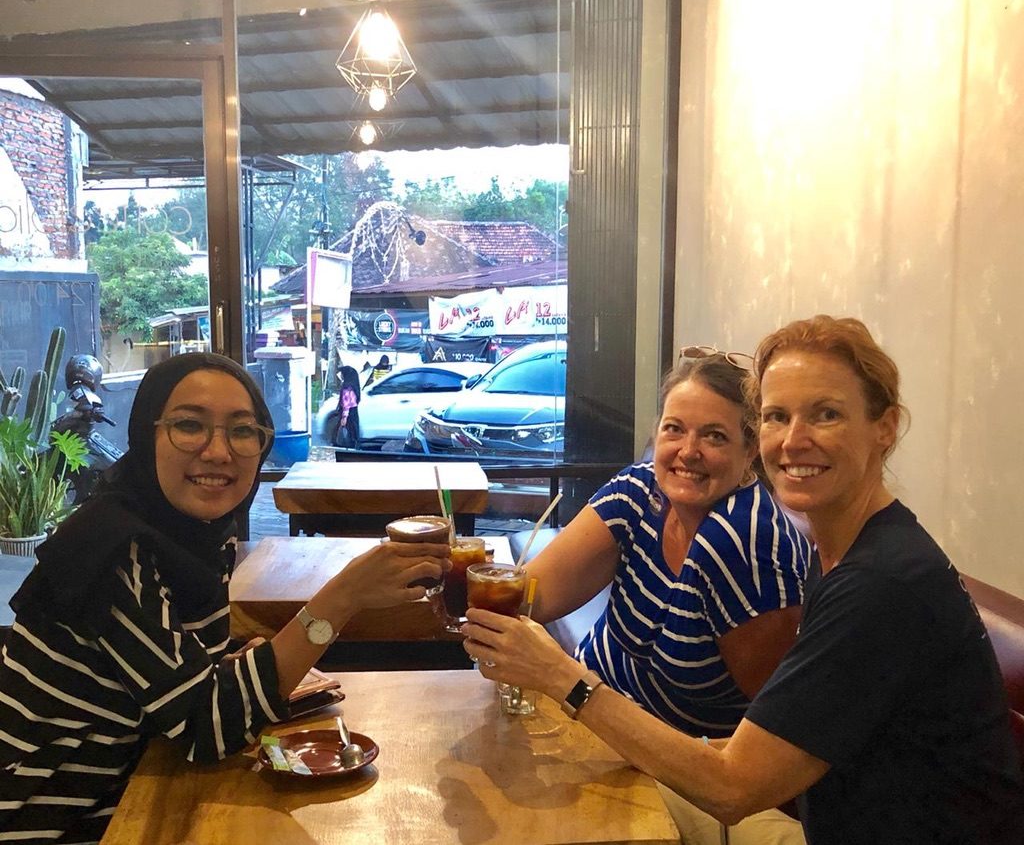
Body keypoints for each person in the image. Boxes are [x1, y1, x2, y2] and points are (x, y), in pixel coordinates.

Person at [464, 317, 1024, 844]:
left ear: (886, 427)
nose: (793, 440)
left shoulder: (881, 585)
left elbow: (733, 789)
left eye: (826, 414)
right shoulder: (847, 551)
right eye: (778, 417)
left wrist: (565, 680)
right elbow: (775, 741)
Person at [0, 353, 449, 842]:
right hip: (50, 818)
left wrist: (242, 662)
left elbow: (179, 682)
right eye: (189, 425)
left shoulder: (200, 533)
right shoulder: (115, 547)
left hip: (130, 783)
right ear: (146, 436)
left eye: (241, 431)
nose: (218, 452)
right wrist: (341, 598)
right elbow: (203, 727)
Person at [499, 349, 814, 843]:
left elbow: (781, 737)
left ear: (750, 451)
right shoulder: (641, 493)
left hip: (673, 769)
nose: (688, 451)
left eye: (714, 435)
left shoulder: (743, 541)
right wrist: (465, 574)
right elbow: (529, 598)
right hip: (589, 730)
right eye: (674, 429)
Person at [332, 365, 361, 447]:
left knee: (344, 434)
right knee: (353, 433)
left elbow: (346, 403)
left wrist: (344, 417)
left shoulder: (347, 387)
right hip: (354, 412)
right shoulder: (354, 386)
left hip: (347, 414)